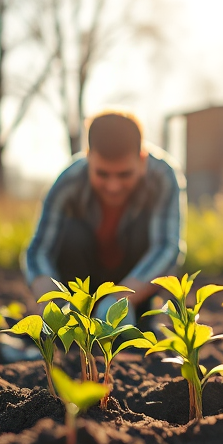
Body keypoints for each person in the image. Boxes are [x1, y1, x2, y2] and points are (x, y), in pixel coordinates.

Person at [23, 109, 185, 322]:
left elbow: (167, 248)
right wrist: (51, 303)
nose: (113, 186)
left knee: (142, 234)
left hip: (136, 287)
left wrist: (119, 299)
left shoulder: (163, 177)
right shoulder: (68, 181)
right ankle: (76, 318)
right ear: (88, 157)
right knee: (72, 235)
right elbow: (38, 250)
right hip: (81, 285)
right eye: (102, 174)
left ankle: (145, 318)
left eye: (124, 174)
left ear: (142, 159)